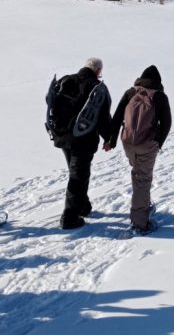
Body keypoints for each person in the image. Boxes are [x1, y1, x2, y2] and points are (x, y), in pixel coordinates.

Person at [104, 65, 172, 234]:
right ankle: (140, 223)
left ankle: (143, 206)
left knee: (138, 172)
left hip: (127, 142)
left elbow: (118, 116)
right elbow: (166, 123)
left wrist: (111, 141)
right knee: (142, 179)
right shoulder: (160, 96)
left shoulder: (130, 92)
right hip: (147, 144)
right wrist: (158, 143)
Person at [56, 58, 111, 229]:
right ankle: (69, 218)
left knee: (77, 173)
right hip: (83, 138)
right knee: (78, 176)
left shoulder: (65, 80)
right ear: (98, 70)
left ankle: (83, 207)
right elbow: (103, 116)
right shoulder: (96, 87)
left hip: (63, 137)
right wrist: (109, 138)